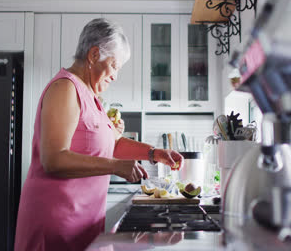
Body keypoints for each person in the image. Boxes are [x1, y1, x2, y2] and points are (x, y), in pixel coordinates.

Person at [14, 18, 184, 251]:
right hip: (57, 223)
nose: (115, 75)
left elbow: (113, 144)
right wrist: (115, 166)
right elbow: (53, 160)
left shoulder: (92, 97)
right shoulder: (65, 88)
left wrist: (154, 153)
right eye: (114, 66)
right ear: (94, 55)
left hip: (82, 222)